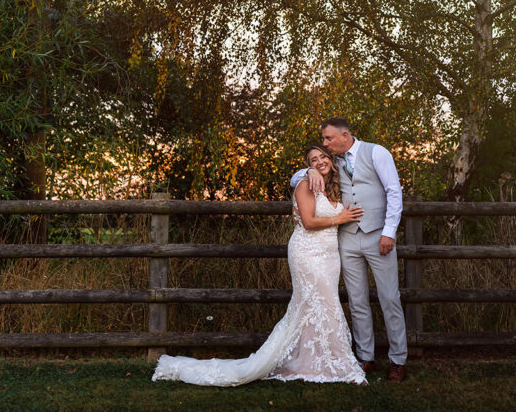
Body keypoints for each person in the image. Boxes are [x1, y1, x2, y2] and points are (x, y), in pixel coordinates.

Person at [152, 145, 366, 386]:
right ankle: (334, 363)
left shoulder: (333, 186)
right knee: (316, 303)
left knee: (323, 305)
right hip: (307, 252)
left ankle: (323, 359)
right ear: (308, 165)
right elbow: (308, 221)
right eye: (312, 160)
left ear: (331, 159)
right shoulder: (305, 183)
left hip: (329, 256)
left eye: (322, 157)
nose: (319, 162)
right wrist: (340, 217)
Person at [290, 117, 408, 382]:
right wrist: (306, 171)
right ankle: (364, 357)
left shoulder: (377, 152)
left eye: (328, 139)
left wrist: (389, 232)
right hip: (348, 239)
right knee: (357, 301)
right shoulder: (332, 161)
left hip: (379, 236)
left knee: (390, 298)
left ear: (345, 135)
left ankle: (398, 360)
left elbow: (394, 192)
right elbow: (298, 178)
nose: (325, 143)